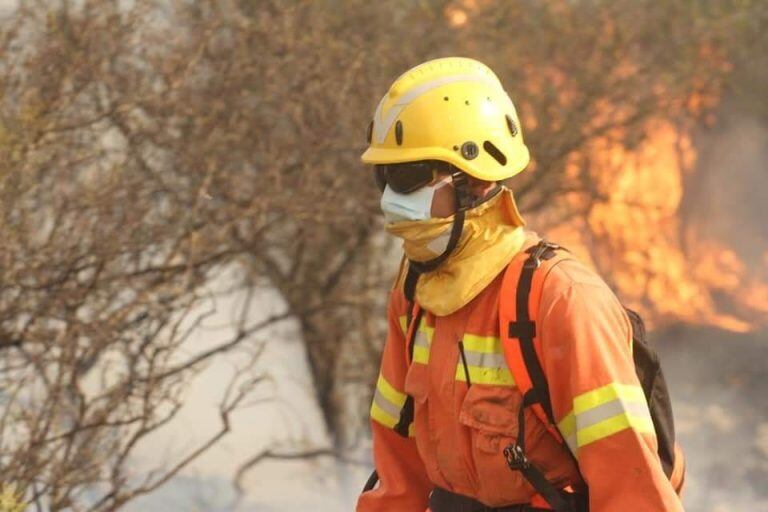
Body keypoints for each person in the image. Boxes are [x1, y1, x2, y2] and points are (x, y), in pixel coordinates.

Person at [356, 57, 685, 512]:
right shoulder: (415, 296)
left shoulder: (560, 300)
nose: (393, 198)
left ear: (472, 178)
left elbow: (633, 490)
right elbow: (398, 474)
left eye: (408, 177)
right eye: (385, 178)